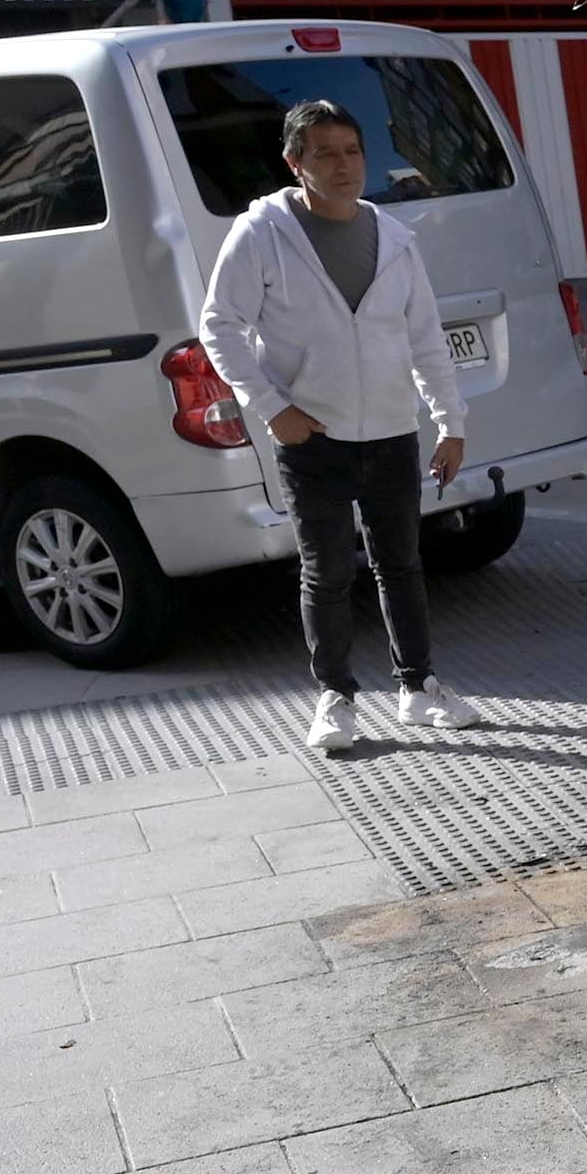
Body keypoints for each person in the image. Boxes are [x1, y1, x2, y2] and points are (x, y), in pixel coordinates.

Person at [198, 99, 481, 756]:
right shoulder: (261, 233)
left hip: (388, 433)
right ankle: (337, 700)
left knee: (401, 565)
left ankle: (418, 686)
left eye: (351, 151)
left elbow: (425, 340)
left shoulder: (393, 240)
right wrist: (272, 407)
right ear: (295, 163)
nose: (343, 164)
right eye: (324, 153)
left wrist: (450, 422)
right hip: (311, 438)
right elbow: (219, 325)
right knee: (325, 572)